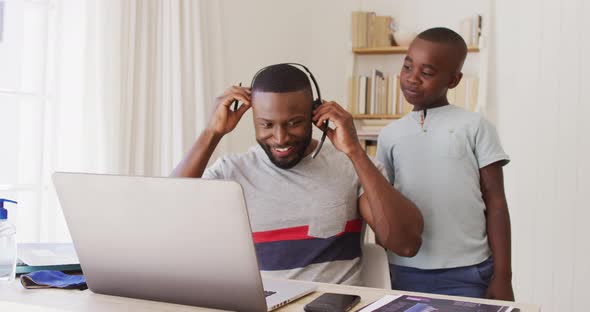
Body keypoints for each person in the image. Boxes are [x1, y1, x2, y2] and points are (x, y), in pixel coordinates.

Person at [172, 64, 423, 285]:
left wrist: (355, 152)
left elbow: (406, 244)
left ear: (316, 114)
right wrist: (211, 133)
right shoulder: (232, 172)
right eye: (267, 124)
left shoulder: (350, 166)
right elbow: (168, 217)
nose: (280, 138)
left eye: (294, 123)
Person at [376, 27, 514, 300]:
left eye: (426, 73)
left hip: (469, 272)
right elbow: (382, 203)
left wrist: (503, 276)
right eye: (407, 67)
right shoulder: (389, 134)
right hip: (402, 272)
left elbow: (496, 202)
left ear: (453, 79)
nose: (412, 78)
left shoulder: (475, 126)